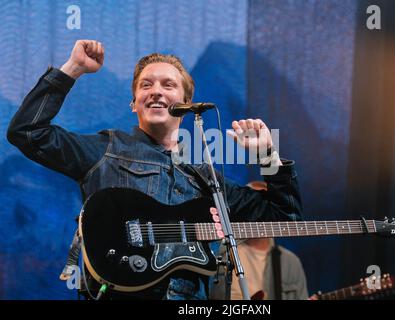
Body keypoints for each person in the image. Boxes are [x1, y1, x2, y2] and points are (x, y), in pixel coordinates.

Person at [7, 40, 303, 300]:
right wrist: (73, 68)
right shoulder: (105, 150)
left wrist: (268, 155)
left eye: (168, 84)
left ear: (186, 104)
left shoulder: (206, 178)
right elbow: (27, 131)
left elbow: (284, 216)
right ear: (134, 103)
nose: (156, 91)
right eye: (146, 85)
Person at [210, 181, 309, 300]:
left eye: (261, 206)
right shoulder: (220, 254)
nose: (256, 213)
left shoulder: (290, 262)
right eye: (249, 203)